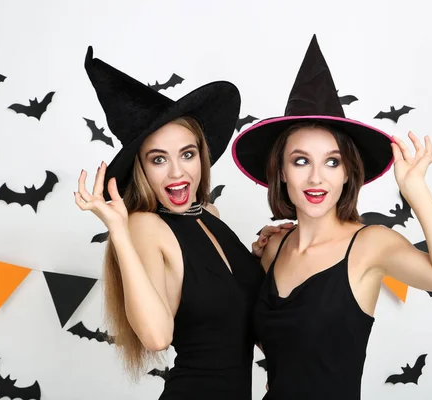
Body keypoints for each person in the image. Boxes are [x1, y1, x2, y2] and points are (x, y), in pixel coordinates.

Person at [232, 35, 432, 399]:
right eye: (301, 161)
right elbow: (289, 347)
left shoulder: (370, 244)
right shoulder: (274, 247)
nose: (317, 178)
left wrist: (414, 189)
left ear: (348, 172)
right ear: (280, 171)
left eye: (332, 162)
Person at [75, 46, 292, 400]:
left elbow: (251, 327)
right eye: (158, 159)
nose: (177, 173)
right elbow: (157, 337)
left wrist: (261, 261)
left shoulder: (211, 215)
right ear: (140, 169)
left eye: (187, 154)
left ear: (201, 156)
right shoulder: (146, 226)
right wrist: (120, 230)